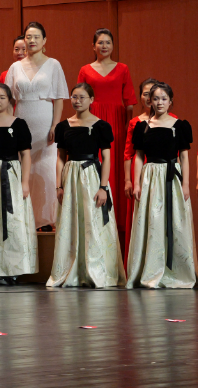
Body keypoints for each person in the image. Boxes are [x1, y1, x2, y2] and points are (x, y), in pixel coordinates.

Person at [46, 83, 126, 288]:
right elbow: (60, 158)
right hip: (71, 176)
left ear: (91, 100)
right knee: (71, 222)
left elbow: (106, 158)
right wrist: (59, 186)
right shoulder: (63, 126)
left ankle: (97, 270)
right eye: (74, 97)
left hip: (92, 176)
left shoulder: (101, 126)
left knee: (94, 221)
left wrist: (103, 187)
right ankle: (72, 270)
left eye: (82, 97)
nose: (77, 101)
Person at [127, 82, 194, 288]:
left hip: (171, 177)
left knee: (175, 223)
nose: (159, 102)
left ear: (170, 101)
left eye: (164, 98)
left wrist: (185, 184)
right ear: (150, 101)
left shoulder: (179, 126)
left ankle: (177, 271)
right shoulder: (142, 126)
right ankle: (150, 269)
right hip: (150, 177)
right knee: (152, 222)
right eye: (155, 98)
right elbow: (138, 156)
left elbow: (184, 156)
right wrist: (137, 183)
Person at [77, 29, 137, 253]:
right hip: (93, 121)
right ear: (93, 46)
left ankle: (118, 229)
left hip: (117, 123)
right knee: (97, 166)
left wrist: (127, 126)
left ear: (113, 45)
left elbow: (129, 102)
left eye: (108, 42)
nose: (104, 46)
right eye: (100, 42)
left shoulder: (123, 68)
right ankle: (96, 222)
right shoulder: (85, 70)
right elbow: (80, 98)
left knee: (116, 170)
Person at [6, 22, 69, 230]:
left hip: (45, 123)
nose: (31, 40)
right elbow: (8, 100)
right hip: (21, 119)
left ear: (44, 41)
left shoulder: (53, 64)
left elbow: (59, 98)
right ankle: (23, 219)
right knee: (22, 166)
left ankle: (47, 221)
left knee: (46, 169)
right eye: (28, 37)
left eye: (36, 37)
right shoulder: (15, 67)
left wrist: (55, 125)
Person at [0, 84, 37, 283]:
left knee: (12, 222)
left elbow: (26, 155)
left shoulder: (18, 124)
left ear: (9, 100)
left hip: (10, 174)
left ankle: (11, 269)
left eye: (1, 97)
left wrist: (25, 182)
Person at [123, 78, 163, 254]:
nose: (149, 98)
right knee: (141, 215)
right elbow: (128, 154)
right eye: (145, 94)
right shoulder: (135, 123)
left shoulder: (172, 120)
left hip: (162, 171)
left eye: (152, 94)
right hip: (140, 172)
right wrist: (128, 181)